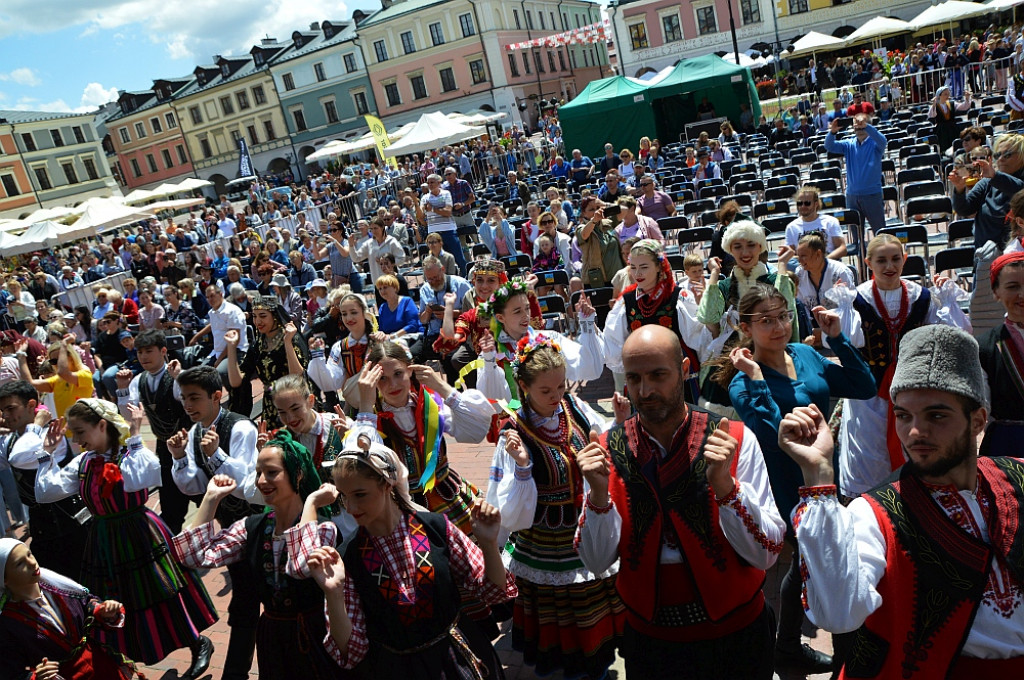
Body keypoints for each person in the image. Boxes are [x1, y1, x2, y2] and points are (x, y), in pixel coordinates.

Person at [781, 324, 1024, 679]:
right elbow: (839, 614)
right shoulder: (874, 512)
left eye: (936, 416)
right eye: (903, 415)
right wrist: (819, 476)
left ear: (977, 421)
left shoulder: (1016, 477)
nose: (914, 432)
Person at [575, 325, 785, 679]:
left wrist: (726, 489)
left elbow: (767, 552)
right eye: (635, 378)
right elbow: (596, 562)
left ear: (685, 369)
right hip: (653, 644)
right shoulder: (607, 451)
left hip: (736, 639)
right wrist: (597, 495)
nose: (645, 391)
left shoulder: (733, 438)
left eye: (658, 375)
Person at [717, 285, 874, 672]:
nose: (778, 326)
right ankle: (847, 654)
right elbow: (774, 432)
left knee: (809, 557)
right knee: (823, 557)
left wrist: (838, 338)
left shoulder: (805, 353)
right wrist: (755, 376)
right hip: (787, 481)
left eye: (783, 315)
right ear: (745, 327)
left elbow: (864, 386)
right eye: (765, 320)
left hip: (823, 471)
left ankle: (787, 648)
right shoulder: (742, 381)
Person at [287, 435, 517, 679]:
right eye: (344, 496)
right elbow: (349, 651)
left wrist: (489, 544)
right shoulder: (348, 558)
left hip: (456, 660)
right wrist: (333, 593)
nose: (351, 508)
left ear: (387, 484)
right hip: (397, 669)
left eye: (360, 495)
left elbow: (493, 591)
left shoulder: (436, 528)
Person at [35, 399, 216, 674]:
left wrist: (134, 435)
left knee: (161, 590)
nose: (77, 440)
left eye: (81, 431)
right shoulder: (84, 463)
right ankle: (125, 660)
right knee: (117, 600)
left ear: (102, 425)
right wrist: (46, 454)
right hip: (104, 539)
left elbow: (144, 476)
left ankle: (197, 641)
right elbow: (46, 492)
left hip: (140, 533)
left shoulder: (129, 454)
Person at [485, 335, 628, 679]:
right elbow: (512, 509)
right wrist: (521, 466)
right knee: (563, 622)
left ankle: (598, 668)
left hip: (586, 526)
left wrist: (620, 423)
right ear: (523, 386)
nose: (556, 396)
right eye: (546, 391)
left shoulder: (572, 407)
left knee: (598, 612)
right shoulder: (515, 433)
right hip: (546, 544)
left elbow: (600, 441)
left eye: (561, 386)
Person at [172, 431, 351, 679]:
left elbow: (301, 566)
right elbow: (194, 556)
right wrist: (211, 499)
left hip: (314, 634)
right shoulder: (253, 527)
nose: (261, 481)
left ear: (297, 474)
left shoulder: (324, 529)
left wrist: (311, 503)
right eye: (258, 473)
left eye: (272, 472)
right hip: (272, 635)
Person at [828, 234, 971, 497]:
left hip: (912, 387)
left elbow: (950, 334)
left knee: (914, 439)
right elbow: (849, 339)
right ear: (869, 262)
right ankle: (872, 501)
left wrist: (948, 300)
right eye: (881, 260)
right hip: (869, 394)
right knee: (869, 447)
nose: (889, 266)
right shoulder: (855, 299)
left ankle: (915, 496)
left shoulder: (923, 297)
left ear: (904, 259)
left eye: (895, 259)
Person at [168, 365, 261, 680]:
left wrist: (217, 454)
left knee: (273, 598)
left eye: (195, 397)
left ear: (217, 396)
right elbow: (195, 486)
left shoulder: (240, 427)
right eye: (184, 399)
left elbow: (248, 482)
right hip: (230, 529)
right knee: (245, 602)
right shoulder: (194, 432)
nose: (188, 405)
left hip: (261, 527)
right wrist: (180, 457)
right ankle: (235, 671)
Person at [0, 537, 141, 679]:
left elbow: (87, 603)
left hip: (101, 667)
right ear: (4, 579)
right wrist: (37, 676)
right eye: (19, 564)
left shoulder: (60, 589)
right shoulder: (8, 623)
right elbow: (9, 673)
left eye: (29, 554)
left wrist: (102, 610)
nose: (32, 563)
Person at [0, 381, 89, 580]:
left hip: (69, 521)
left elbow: (19, 457)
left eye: (10, 408)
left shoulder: (50, 434)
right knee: (50, 581)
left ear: (32, 406)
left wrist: (36, 425)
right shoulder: (12, 440)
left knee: (81, 578)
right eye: (2, 410)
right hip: (42, 525)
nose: (5, 415)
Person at [604, 239, 711, 397]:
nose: (638, 273)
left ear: (659, 267)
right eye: (633, 267)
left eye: (644, 267)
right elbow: (615, 345)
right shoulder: (625, 302)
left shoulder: (679, 297)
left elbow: (698, 339)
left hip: (675, 370)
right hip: (642, 374)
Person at [114, 330, 195, 533]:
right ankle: (173, 542)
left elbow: (191, 400)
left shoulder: (175, 375)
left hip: (191, 442)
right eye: (140, 352)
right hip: (164, 445)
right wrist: (122, 389)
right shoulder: (138, 381)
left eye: (149, 351)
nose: (143, 357)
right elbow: (127, 414)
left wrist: (180, 377)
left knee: (204, 492)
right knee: (169, 499)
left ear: (163, 351)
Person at [477, 279, 604, 403]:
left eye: (527, 308)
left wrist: (587, 324)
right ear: (500, 317)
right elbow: (491, 400)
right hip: (514, 421)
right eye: (517, 311)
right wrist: (489, 359)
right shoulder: (492, 352)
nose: (525, 316)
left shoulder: (549, 339)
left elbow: (590, 370)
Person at [225, 295, 310, 427]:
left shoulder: (292, 338)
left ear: (274, 316)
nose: (257, 321)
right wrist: (231, 348)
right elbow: (237, 382)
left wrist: (287, 342)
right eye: (254, 316)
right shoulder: (259, 344)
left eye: (263, 316)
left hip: (292, 403)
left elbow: (297, 376)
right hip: (270, 406)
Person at [977, 251, 1024, 455]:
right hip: (1008, 447)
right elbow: (980, 406)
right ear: (996, 292)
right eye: (1012, 287)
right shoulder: (985, 347)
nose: (1022, 294)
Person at [949, 133, 1024, 250]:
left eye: (1007, 154)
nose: (1000, 159)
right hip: (986, 256)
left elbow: (1020, 191)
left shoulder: (995, 178)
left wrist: (995, 176)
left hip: (1017, 258)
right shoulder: (987, 182)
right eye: (998, 154)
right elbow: (965, 209)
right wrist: (959, 190)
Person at [308, 293, 379, 411]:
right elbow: (331, 383)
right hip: (358, 407)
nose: (348, 318)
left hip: (386, 406)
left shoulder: (379, 340)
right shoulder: (340, 347)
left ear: (364, 313)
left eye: (354, 312)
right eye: (344, 314)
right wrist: (318, 356)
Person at [825, 113, 887, 243]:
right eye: (857, 127)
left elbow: (883, 141)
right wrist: (832, 132)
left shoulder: (875, 144)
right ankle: (862, 261)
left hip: (872, 196)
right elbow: (829, 146)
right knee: (856, 239)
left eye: (862, 126)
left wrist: (867, 126)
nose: (859, 129)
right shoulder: (848, 144)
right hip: (852, 197)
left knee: (880, 234)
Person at [792, 232, 857, 346]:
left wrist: (824, 333)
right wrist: (809, 330)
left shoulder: (840, 272)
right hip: (812, 333)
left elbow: (849, 309)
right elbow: (801, 306)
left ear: (818, 254)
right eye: (798, 256)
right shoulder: (800, 273)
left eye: (803, 256)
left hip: (840, 329)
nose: (799, 260)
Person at [16, 336, 93, 419]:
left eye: (60, 359)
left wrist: (64, 344)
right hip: (66, 430)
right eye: (53, 361)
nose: (57, 364)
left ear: (71, 358)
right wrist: (21, 355)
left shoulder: (85, 374)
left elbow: (63, 372)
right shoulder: (58, 380)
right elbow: (30, 384)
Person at [421, 173, 468, 276]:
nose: (430, 185)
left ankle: (465, 280)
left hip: (449, 231)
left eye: (432, 182)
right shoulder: (424, 197)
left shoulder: (446, 193)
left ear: (439, 183)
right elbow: (421, 215)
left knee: (459, 259)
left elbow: (448, 212)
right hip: (434, 234)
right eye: (428, 183)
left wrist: (433, 209)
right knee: (438, 262)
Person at [785, 186, 847, 259]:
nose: (803, 206)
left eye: (807, 203)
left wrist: (823, 262)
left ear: (816, 204)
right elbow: (789, 254)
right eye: (799, 203)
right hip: (804, 265)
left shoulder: (830, 222)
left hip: (829, 263)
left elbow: (842, 248)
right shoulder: (791, 227)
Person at [577, 196, 623, 289]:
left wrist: (604, 204)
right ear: (583, 213)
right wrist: (594, 220)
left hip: (618, 278)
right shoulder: (581, 227)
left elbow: (624, 210)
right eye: (591, 209)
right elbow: (584, 234)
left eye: (597, 208)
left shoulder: (608, 223)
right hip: (598, 281)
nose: (596, 211)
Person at [929, 85, 973, 155]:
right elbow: (932, 115)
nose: (947, 96)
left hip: (952, 127)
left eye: (948, 94)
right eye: (945, 94)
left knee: (954, 144)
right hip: (941, 130)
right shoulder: (936, 105)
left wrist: (967, 98)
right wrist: (934, 105)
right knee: (943, 146)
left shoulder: (952, 103)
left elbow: (964, 107)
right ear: (939, 96)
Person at [376, 274, 422, 339]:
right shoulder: (382, 307)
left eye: (385, 287)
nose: (382, 291)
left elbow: (412, 325)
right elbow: (382, 329)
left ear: (394, 288)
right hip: (392, 342)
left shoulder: (407, 301)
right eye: (380, 289)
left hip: (411, 339)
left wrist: (393, 336)